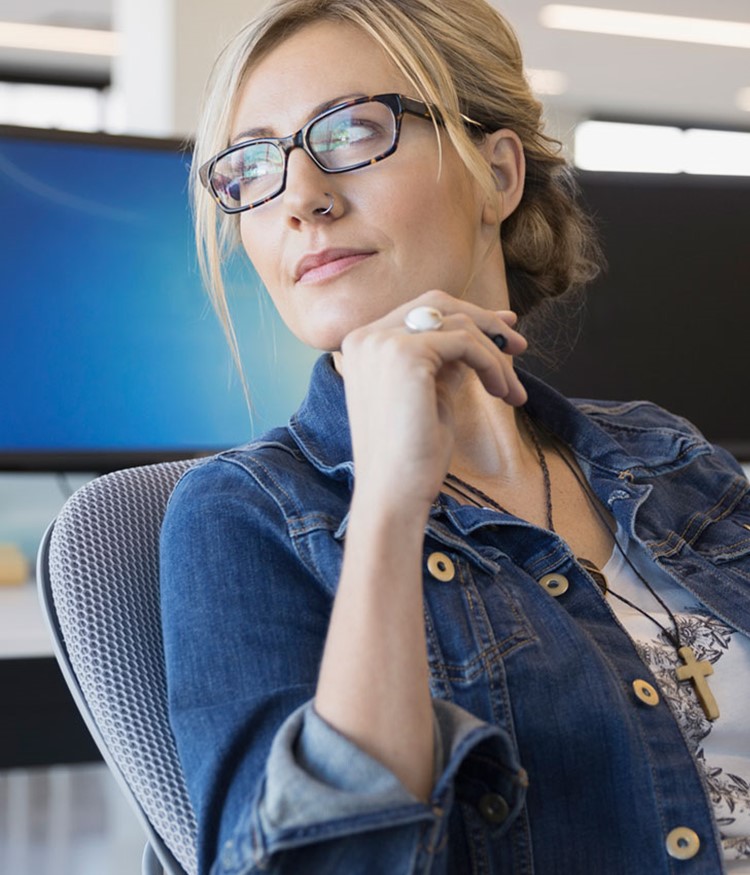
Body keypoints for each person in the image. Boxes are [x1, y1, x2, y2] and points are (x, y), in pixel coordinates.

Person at [159, 1, 750, 873]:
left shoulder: (667, 457)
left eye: (353, 132)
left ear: (498, 173)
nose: (302, 199)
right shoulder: (242, 518)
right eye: (252, 167)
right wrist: (392, 501)